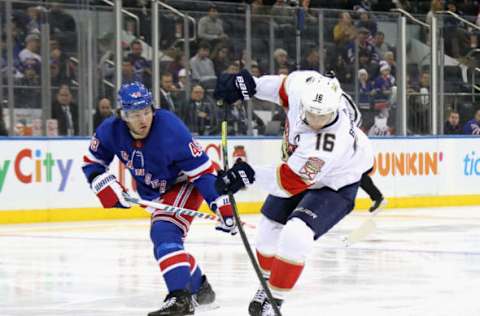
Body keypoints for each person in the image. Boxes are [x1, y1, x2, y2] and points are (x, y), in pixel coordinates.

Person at [82, 82, 254, 316]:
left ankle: (180, 299)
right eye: (134, 114)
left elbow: (203, 174)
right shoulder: (110, 130)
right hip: (154, 192)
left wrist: (221, 204)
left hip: (185, 183)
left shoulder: (171, 129)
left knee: (165, 231)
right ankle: (200, 288)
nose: (143, 119)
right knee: (164, 246)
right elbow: (92, 162)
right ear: (123, 115)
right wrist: (102, 183)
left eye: (146, 111)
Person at [214, 70, 374, 315]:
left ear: (335, 110)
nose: (314, 121)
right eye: (310, 113)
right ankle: (268, 283)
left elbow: (289, 182)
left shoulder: (329, 143)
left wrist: (245, 175)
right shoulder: (304, 86)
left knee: (296, 233)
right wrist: (250, 85)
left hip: (336, 183)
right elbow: (281, 87)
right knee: (266, 234)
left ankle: (275, 298)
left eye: (323, 116)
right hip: (298, 169)